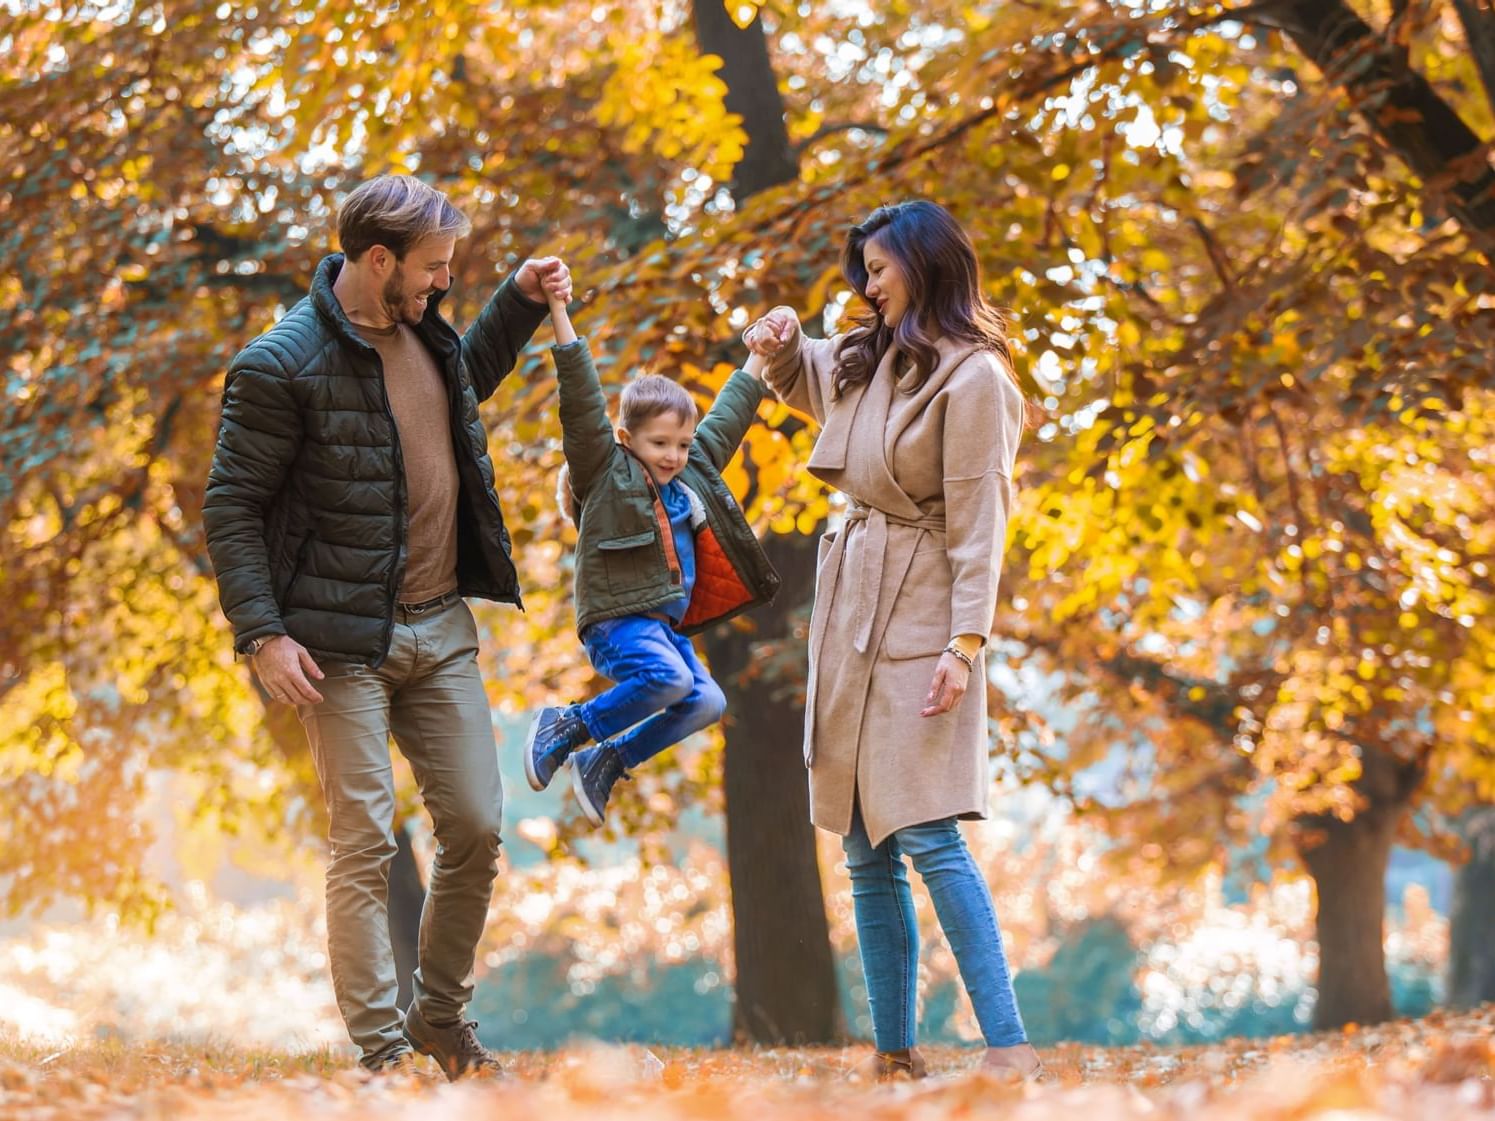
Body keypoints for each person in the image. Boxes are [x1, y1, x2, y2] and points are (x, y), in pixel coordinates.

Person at [203, 174, 570, 1078]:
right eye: (435, 267)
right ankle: (381, 1050)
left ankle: (437, 1017)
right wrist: (262, 632)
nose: (445, 282)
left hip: (439, 626)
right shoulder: (279, 364)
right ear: (379, 260)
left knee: (478, 827)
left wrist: (518, 303)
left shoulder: (422, 332)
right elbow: (232, 505)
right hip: (336, 643)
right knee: (363, 836)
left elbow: (459, 380)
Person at [743, 200, 1040, 1081]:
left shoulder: (977, 378)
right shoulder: (873, 354)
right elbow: (809, 378)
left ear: (925, 262)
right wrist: (775, 343)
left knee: (927, 831)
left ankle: (1008, 1047)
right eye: (862, 272)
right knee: (862, 842)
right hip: (848, 609)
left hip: (922, 614)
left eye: (878, 269)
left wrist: (965, 643)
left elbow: (982, 519)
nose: (866, 286)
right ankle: (893, 1052)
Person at [520, 283, 780, 825]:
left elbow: (729, 418)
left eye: (682, 444)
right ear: (626, 437)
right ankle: (566, 726)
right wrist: (559, 310)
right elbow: (581, 395)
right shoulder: (605, 470)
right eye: (660, 443)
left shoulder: (690, 475)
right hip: (618, 621)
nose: (674, 455)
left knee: (707, 701)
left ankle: (606, 758)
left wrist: (760, 354)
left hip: (662, 629)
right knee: (670, 680)